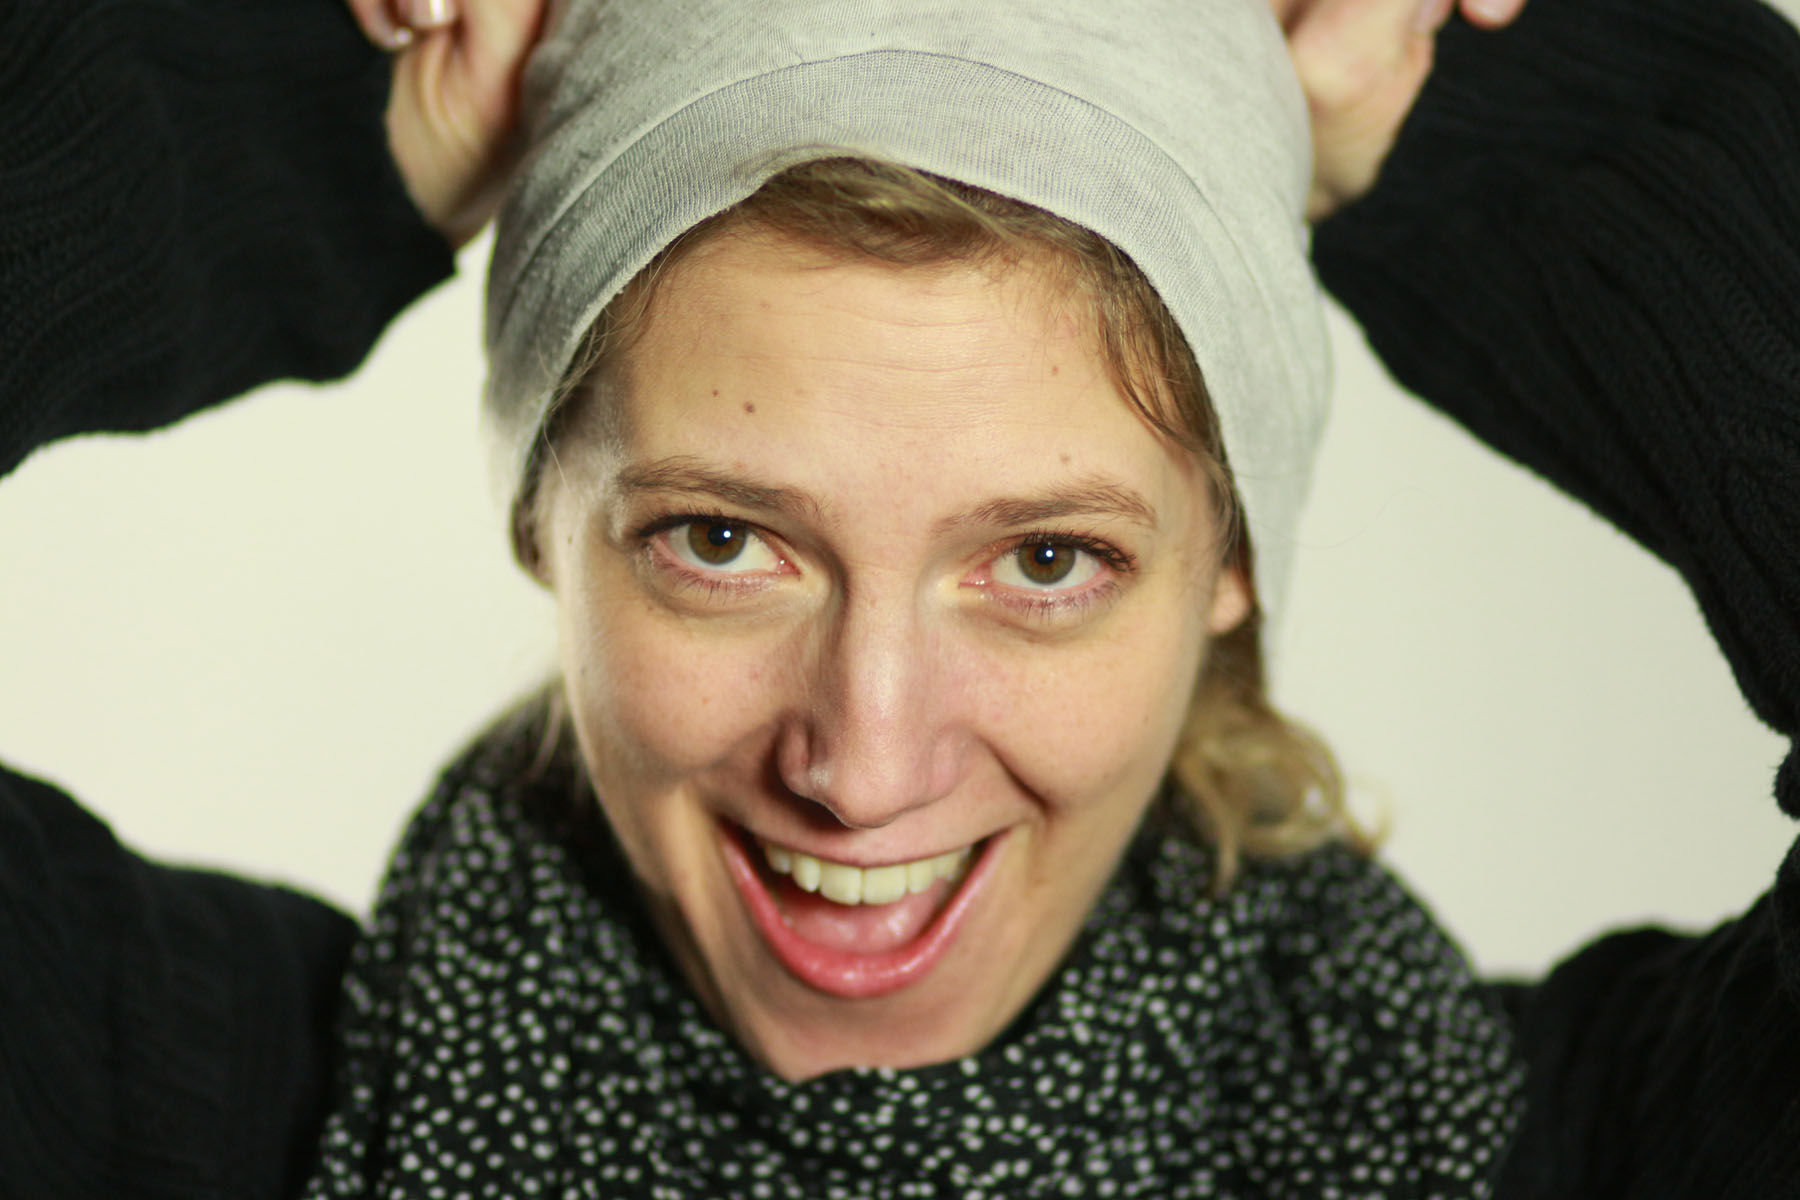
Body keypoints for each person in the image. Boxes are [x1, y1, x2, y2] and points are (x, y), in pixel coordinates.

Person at [2, 1, 1796, 1198]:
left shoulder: (1532, 1156)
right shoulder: (177, 1116)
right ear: (546, 516)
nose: (863, 767)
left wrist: (1512, 127)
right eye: (723, 542)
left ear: (1232, 561)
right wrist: (272, 115)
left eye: (1046, 561)